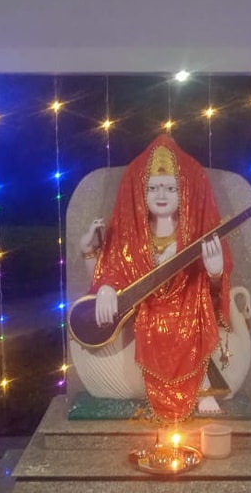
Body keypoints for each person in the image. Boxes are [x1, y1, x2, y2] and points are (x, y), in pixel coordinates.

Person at [78, 134, 232, 421]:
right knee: (154, 323)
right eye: (153, 188)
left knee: (192, 307)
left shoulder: (193, 234)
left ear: (184, 192)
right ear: (141, 193)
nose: (161, 196)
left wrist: (214, 271)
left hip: (188, 305)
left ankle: (201, 385)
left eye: (170, 188)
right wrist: (106, 286)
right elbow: (110, 272)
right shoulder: (131, 236)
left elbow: (213, 291)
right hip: (146, 309)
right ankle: (173, 389)